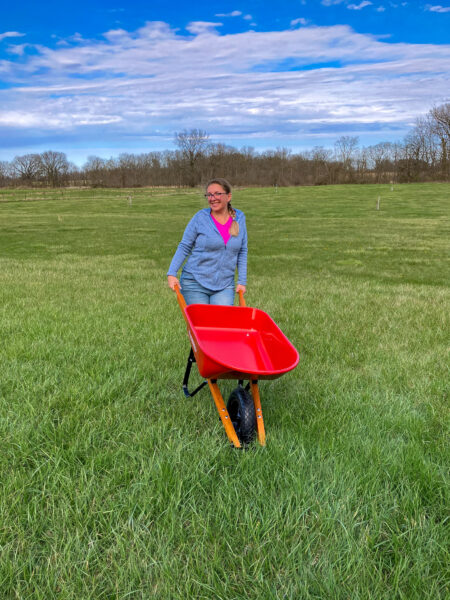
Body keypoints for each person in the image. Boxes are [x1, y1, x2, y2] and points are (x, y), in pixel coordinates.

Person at [167, 178, 247, 305]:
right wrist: (171, 273)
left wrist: (242, 281)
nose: (212, 198)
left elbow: (242, 251)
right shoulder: (200, 218)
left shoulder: (240, 218)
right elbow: (185, 246)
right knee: (199, 324)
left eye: (217, 193)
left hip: (224, 285)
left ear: (229, 196)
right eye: (209, 195)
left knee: (221, 323)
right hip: (194, 282)